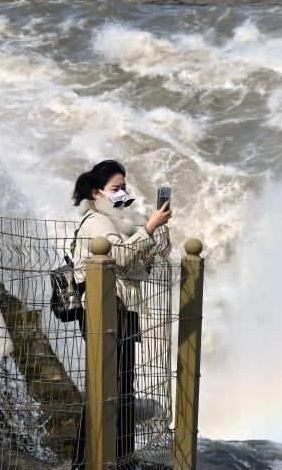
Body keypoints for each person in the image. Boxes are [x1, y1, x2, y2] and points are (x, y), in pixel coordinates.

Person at [70, 159, 171, 470]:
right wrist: (149, 227)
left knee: (121, 388)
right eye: (117, 188)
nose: (123, 193)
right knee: (108, 390)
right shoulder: (96, 223)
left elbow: (136, 270)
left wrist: (156, 238)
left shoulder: (117, 223)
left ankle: (119, 457)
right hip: (104, 314)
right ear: (97, 193)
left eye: (124, 187)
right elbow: (121, 256)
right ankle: (91, 460)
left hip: (120, 313)